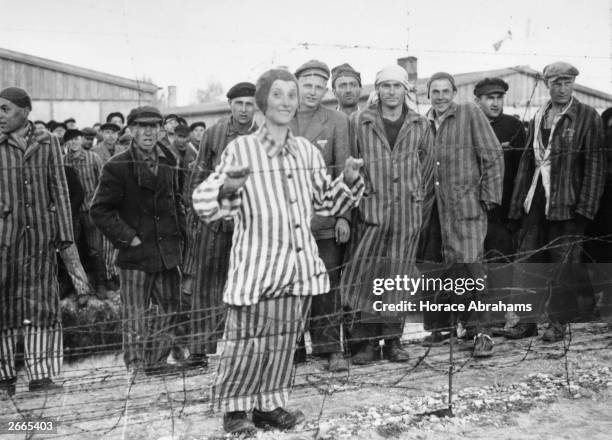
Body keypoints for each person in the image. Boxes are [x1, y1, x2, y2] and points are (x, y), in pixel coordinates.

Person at [192, 68, 364, 434]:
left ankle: (270, 405)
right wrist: (229, 188)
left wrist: (347, 181)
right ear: (262, 103)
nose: (286, 102)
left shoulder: (305, 151)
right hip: (257, 269)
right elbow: (205, 204)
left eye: (291, 95)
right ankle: (236, 411)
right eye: (278, 95)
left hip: (297, 268)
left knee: (284, 342)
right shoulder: (242, 149)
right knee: (246, 343)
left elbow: (325, 201)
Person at [341, 65, 432, 364]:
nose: (391, 92)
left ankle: (393, 340)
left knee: (398, 276)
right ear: (377, 89)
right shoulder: (360, 122)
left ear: (405, 89)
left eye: (397, 86)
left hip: (406, 214)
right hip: (371, 213)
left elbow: (427, 169)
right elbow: (351, 167)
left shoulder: (420, 124)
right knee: (368, 275)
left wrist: (415, 201)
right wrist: (361, 201)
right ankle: (367, 343)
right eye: (385, 86)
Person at [508, 62, 606, 342]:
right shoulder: (540, 114)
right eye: (556, 83)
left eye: (567, 83)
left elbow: (595, 166)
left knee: (563, 266)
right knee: (528, 263)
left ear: (573, 84)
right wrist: (518, 204)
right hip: (535, 200)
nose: (562, 89)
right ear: (546, 84)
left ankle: (558, 323)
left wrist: (585, 210)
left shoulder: (586, 116)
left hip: (568, 203)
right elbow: (528, 162)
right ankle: (526, 323)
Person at [90, 106, 186, 375]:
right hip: (135, 255)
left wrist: (181, 241)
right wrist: (128, 237)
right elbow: (99, 210)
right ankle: (135, 365)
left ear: (160, 130)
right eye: (142, 126)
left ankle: (156, 362)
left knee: (170, 307)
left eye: (154, 126)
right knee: (135, 313)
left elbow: (176, 202)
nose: (148, 132)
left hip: (166, 251)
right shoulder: (117, 165)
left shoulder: (169, 160)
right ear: (130, 130)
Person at [419, 72, 504, 357]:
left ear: (454, 93)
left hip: (467, 208)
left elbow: (492, 155)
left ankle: (483, 334)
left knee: (473, 269)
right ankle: (462, 327)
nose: (440, 96)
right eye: (435, 91)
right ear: (427, 94)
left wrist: (489, 197)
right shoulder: (424, 123)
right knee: (451, 271)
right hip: (437, 212)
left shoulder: (469, 114)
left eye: (445, 91)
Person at [0, 87, 73, 396]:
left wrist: (65, 237)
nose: (0, 115)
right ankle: (3, 377)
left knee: (41, 306)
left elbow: (60, 192)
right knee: (3, 306)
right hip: (5, 242)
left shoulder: (49, 144)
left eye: (5, 109)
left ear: (25, 112)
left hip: (41, 241)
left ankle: (41, 375)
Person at [183, 82, 258, 366]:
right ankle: (200, 349)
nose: (243, 109)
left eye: (249, 104)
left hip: (249, 224)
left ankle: (246, 349)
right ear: (230, 105)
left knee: (248, 285)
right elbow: (198, 176)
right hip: (214, 224)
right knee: (207, 287)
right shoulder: (214, 134)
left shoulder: (263, 136)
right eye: (238, 103)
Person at [289, 60, 352, 371]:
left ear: (326, 89)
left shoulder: (337, 121)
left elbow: (345, 173)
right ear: (296, 85)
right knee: (289, 284)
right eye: (307, 85)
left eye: (318, 86)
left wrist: (343, 217)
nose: (312, 92)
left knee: (327, 284)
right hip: (287, 223)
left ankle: (328, 348)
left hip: (325, 220)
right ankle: (292, 347)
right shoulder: (277, 119)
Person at [473, 77, 533, 338]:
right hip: (475, 209)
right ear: (478, 101)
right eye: (489, 98)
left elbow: (523, 170)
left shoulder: (515, 127)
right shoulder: (470, 126)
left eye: (499, 98)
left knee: (500, 264)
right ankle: (475, 322)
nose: (495, 103)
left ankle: (498, 319)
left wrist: (516, 209)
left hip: (504, 210)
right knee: (474, 267)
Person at [63, 129, 107, 299]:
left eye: (76, 139)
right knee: (76, 250)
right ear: (66, 144)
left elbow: (103, 183)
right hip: (72, 213)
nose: (74, 143)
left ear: (81, 140)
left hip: (91, 211)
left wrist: (100, 206)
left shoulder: (93, 158)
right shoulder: (63, 161)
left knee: (95, 249)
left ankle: (101, 283)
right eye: (70, 140)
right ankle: (78, 286)